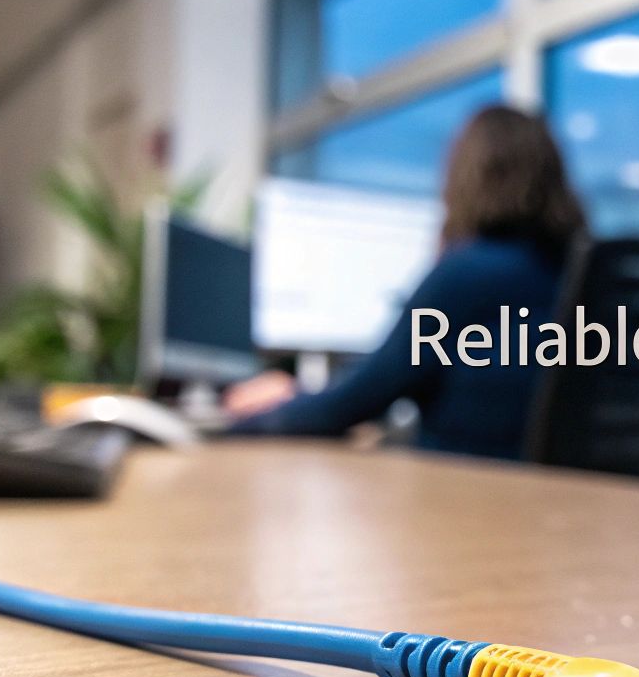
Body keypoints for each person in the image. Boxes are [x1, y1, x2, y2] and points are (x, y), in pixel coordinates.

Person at [223, 105, 587, 460]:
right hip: (557, 499)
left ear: (467, 179)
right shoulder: (573, 273)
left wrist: (246, 423)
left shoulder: (466, 274)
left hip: (468, 496)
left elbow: (353, 402)